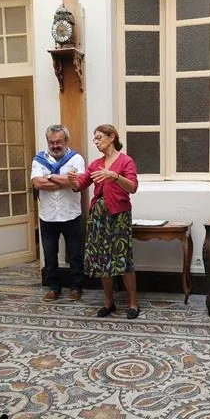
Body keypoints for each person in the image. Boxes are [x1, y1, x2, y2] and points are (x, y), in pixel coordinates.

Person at [72, 124, 140, 319]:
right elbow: (79, 185)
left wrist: (114, 176)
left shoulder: (126, 161)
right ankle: (108, 302)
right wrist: (71, 180)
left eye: (99, 137)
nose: (96, 142)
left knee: (123, 259)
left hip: (119, 216)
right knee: (103, 260)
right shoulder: (95, 164)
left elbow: (133, 187)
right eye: (94, 138)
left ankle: (133, 303)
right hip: (98, 217)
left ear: (112, 137)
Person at [31, 124, 86, 302]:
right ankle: (54, 288)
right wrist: (65, 180)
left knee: (76, 253)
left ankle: (76, 287)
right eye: (51, 142)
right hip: (47, 216)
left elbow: (78, 182)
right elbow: (37, 184)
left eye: (58, 142)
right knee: (49, 254)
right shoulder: (39, 160)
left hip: (71, 214)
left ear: (66, 141)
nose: (55, 146)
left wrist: (49, 176)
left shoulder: (76, 159)